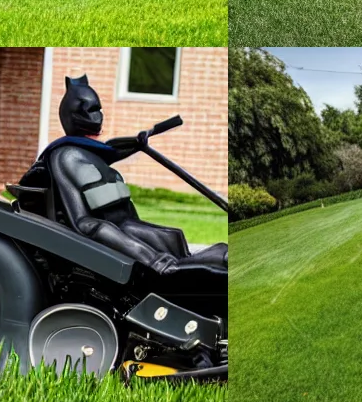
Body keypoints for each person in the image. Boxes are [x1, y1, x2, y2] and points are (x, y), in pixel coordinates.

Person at [29, 75, 226, 273]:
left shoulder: (92, 153)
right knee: (175, 260)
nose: (98, 115)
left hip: (123, 224)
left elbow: (112, 150)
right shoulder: (66, 155)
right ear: (74, 114)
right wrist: (152, 258)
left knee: (172, 237)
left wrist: (136, 144)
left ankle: (195, 264)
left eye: (99, 109)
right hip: (103, 230)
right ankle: (172, 267)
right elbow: (83, 222)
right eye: (91, 110)